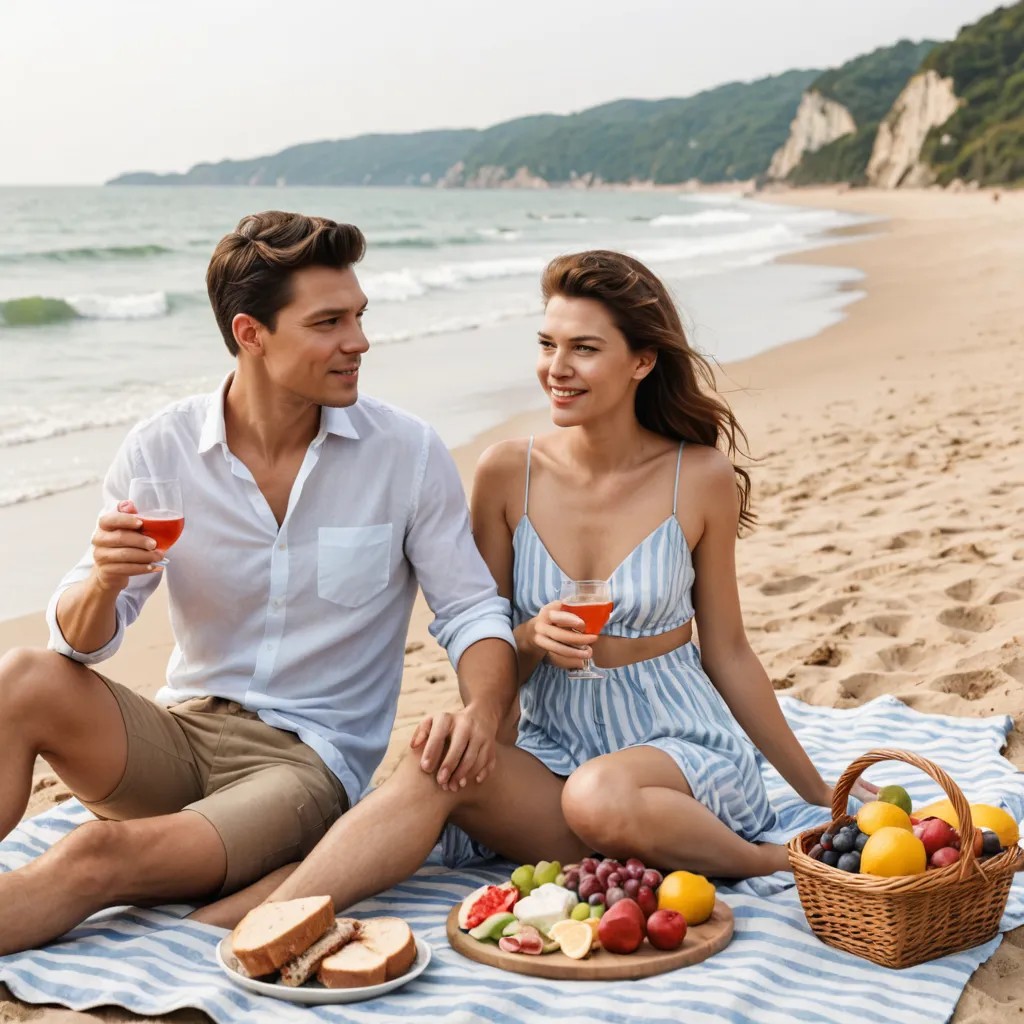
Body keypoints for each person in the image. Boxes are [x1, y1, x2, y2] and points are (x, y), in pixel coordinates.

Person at [193, 249, 874, 930]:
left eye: (584, 348)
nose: (557, 368)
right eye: (548, 344)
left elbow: (727, 651)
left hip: (676, 766)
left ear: (641, 361)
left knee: (599, 794)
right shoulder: (506, 473)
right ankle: (249, 924)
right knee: (433, 772)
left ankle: (760, 861)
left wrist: (816, 788)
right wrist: (527, 638)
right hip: (555, 756)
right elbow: (487, 655)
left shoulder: (697, 478)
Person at [0, 211, 517, 956]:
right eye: (330, 322)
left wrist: (483, 712)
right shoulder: (162, 449)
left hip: (305, 768)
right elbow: (77, 646)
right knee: (22, 674)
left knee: (94, 857)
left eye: (359, 317)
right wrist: (106, 578)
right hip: (180, 735)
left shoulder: (404, 453)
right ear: (252, 334)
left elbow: (471, 611)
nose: (359, 342)